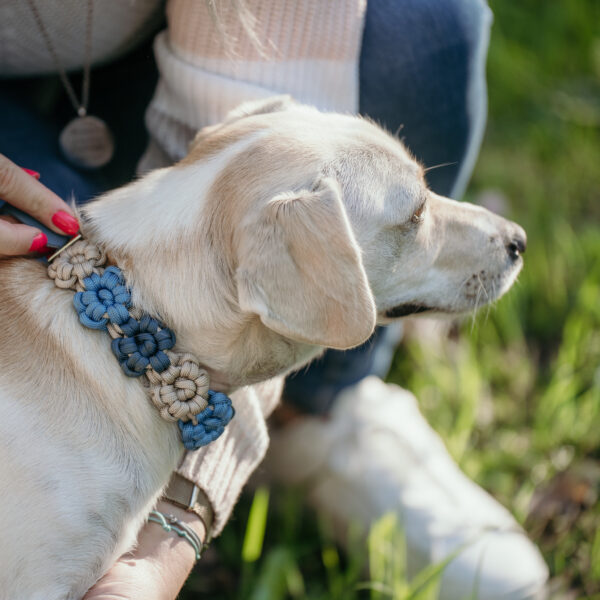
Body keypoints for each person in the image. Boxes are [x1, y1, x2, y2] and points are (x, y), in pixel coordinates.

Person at [0, 1, 548, 598]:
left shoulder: (274, 235)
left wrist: (178, 525)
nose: (499, 233)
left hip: (122, 65)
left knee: (422, 24)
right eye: (414, 216)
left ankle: (317, 411)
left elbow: (245, 208)